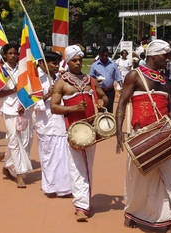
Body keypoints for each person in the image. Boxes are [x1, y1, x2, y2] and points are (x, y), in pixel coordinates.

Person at [115, 40, 171, 232]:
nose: (168, 60)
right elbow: (122, 103)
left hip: (163, 136)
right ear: (154, 56)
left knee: (167, 175)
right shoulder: (134, 75)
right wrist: (118, 131)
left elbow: (169, 109)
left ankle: (167, 215)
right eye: (165, 56)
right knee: (137, 177)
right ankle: (133, 211)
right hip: (141, 135)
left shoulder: (164, 80)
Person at [50, 45, 108, 222]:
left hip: (91, 131)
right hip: (74, 131)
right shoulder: (61, 82)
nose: (78, 63)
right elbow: (53, 107)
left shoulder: (90, 80)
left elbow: (104, 97)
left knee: (87, 166)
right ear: (67, 62)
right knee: (77, 167)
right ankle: (81, 206)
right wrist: (74, 107)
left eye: (80, 60)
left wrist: (101, 103)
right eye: (74, 60)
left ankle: (84, 201)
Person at [0, 43, 34, 188]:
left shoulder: (23, 68)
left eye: (15, 53)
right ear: (5, 55)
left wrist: (25, 104)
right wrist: (12, 90)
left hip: (24, 108)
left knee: (26, 141)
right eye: (10, 53)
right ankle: (19, 174)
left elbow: (31, 87)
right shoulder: (1, 71)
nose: (13, 56)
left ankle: (7, 166)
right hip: (9, 110)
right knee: (13, 140)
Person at [34, 52, 72, 198]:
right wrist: (48, 95)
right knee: (48, 157)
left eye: (57, 63)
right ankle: (50, 187)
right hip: (46, 123)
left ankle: (63, 188)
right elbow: (32, 104)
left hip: (60, 122)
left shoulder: (59, 79)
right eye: (53, 63)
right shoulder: (36, 80)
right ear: (43, 63)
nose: (56, 66)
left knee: (62, 156)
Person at [89, 46, 122, 113]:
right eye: (102, 55)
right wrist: (97, 80)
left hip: (110, 91)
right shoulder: (94, 66)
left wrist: (123, 88)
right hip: (100, 91)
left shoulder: (113, 65)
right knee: (101, 109)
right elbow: (90, 79)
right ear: (99, 55)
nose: (104, 57)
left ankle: (110, 123)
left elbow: (118, 77)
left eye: (105, 55)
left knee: (110, 110)